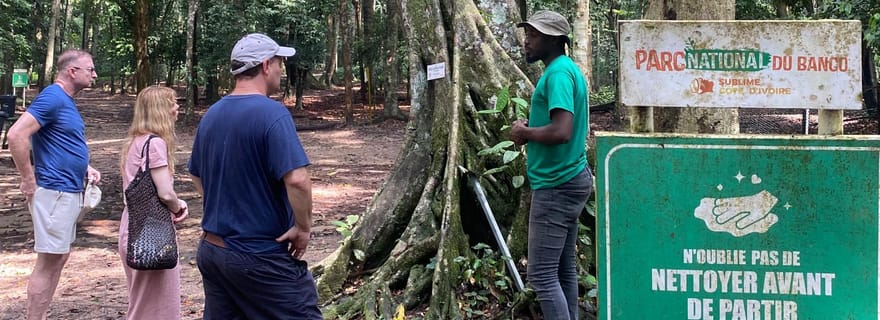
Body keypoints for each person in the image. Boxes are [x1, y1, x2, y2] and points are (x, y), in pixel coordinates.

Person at [188, 33, 321, 319]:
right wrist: (303, 227)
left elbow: (196, 175)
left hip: (213, 252)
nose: (281, 70)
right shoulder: (272, 114)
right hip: (257, 255)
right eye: (278, 63)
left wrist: (228, 206)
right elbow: (297, 179)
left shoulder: (212, 114)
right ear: (264, 65)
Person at [7, 49, 102, 320]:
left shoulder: (65, 101)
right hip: (54, 191)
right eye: (90, 69)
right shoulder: (52, 97)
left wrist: (85, 167)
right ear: (72, 72)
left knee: (59, 257)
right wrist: (28, 178)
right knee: (49, 261)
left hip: (68, 190)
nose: (94, 74)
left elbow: (61, 142)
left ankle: (40, 315)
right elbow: (16, 135)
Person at [510, 10, 593, 320]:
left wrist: (524, 133)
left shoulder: (557, 74)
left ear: (555, 39)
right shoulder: (567, 69)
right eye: (527, 33)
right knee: (562, 270)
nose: (526, 41)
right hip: (572, 177)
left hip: (557, 185)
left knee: (542, 276)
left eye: (534, 35)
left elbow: (561, 131)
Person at [118, 86, 189, 319]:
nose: (177, 107)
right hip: (151, 230)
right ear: (161, 109)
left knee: (143, 300)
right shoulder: (155, 144)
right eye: (173, 103)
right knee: (153, 307)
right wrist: (179, 207)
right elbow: (166, 193)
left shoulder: (134, 142)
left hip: (131, 225)